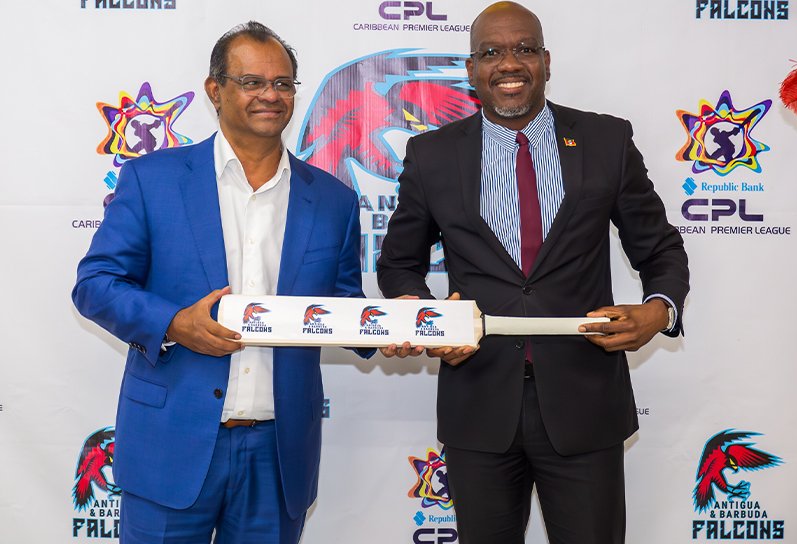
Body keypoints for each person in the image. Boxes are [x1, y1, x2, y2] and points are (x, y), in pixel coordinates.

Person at [376, 3, 690, 543]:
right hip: (478, 404)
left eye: (523, 49)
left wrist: (658, 312)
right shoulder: (431, 155)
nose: (509, 63)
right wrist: (428, 319)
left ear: (546, 61)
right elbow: (399, 264)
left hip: (585, 404)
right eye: (491, 52)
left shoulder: (606, 141)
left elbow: (659, 249)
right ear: (471, 69)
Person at [73, 21, 371, 544]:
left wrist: (397, 328)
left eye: (282, 84)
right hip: (171, 444)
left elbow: (344, 306)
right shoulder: (153, 179)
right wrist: (173, 323)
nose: (270, 95)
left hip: (279, 456)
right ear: (215, 90)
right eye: (252, 82)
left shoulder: (333, 200)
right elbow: (95, 283)